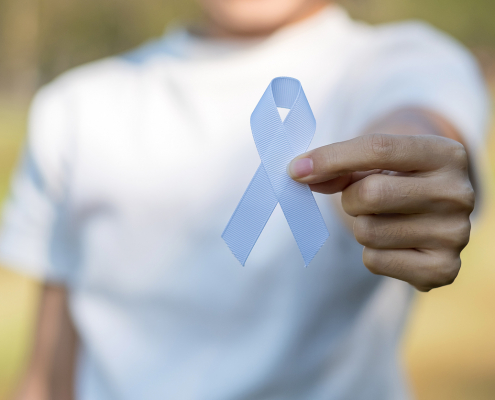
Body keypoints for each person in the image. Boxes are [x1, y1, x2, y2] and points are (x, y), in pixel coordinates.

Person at [0, 0, 489, 399]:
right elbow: (49, 371)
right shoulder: (76, 108)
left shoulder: (398, 60)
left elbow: (414, 127)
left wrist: (399, 179)